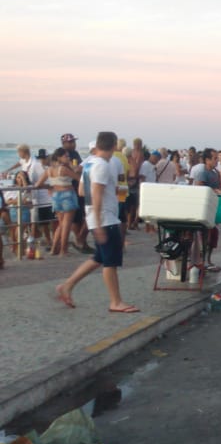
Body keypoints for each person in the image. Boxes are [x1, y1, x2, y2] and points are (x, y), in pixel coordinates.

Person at [55, 131, 139, 313]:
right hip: (105, 218)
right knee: (111, 262)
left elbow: (82, 191)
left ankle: (67, 285)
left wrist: (108, 189)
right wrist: (99, 221)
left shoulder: (89, 163)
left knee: (98, 258)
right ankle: (115, 302)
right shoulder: (102, 165)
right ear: (114, 145)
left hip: (96, 216)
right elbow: (96, 193)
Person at [42, 149, 78, 256]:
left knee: (61, 224)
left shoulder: (48, 170)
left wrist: (50, 186)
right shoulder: (63, 169)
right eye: (66, 156)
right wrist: (72, 167)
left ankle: (54, 249)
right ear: (59, 157)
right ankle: (63, 250)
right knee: (66, 224)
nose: (68, 158)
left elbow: (39, 183)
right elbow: (78, 178)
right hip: (68, 194)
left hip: (56, 195)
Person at [191, 149, 221, 271]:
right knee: (204, 236)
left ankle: (207, 260)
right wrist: (213, 191)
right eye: (214, 158)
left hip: (213, 208)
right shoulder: (202, 172)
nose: (217, 161)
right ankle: (202, 261)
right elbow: (199, 188)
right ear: (207, 160)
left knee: (213, 236)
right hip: (204, 210)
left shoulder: (215, 173)